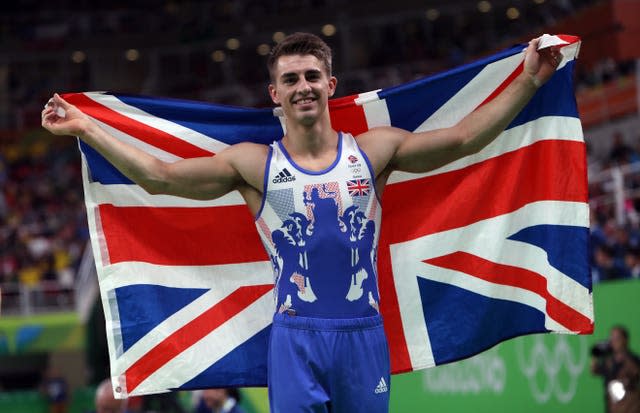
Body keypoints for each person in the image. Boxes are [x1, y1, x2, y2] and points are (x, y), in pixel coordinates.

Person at [42, 32, 561, 412]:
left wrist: (529, 80)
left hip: (363, 335)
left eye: (312, 76)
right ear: (275, 93)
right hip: (295, 338)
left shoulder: (373, 152)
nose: (303, 87)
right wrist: (87, 127)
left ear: (331, 84)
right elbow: (159, 176)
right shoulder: (254, 165)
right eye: (290, 79)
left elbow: (464, 139)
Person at [591, 325, 640, 413]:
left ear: (625, 340)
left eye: (617, 338)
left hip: (630, 407)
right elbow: (594, 370)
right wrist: (596, 353)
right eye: (611, 338)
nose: (614, 341)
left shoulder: (633, 360)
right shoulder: (609, 361)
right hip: (612, 406)